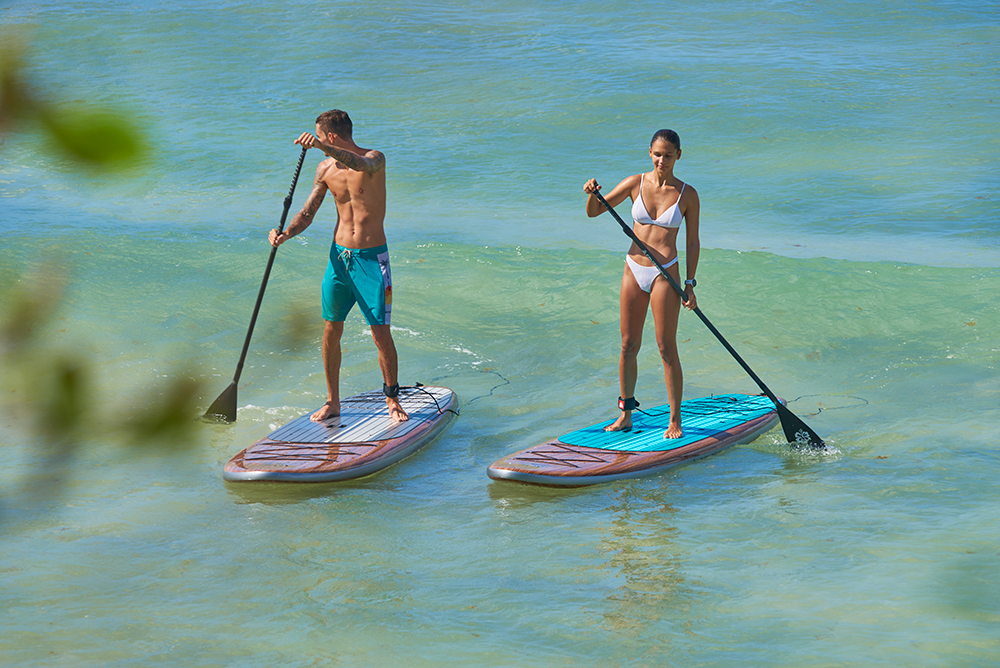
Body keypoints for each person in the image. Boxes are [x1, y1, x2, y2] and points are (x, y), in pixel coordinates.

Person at [269, 109, 408, 423]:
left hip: (371, 261)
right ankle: (333, 401)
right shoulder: (324, 169)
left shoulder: (374, 159)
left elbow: (360, 164)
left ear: (330, 136)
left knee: (380, 333)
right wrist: (285, 234)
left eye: (321, 137)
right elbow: (308, 212)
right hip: (339, 260)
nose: (318, 144)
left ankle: (392, 399)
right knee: (331, 330)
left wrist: (322, 146)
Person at [583, 129, 700, 438]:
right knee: (628, 345)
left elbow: (692, 241)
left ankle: (675, 420)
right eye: (657, 154)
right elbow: (595, 211)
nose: (662, 160)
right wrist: (592, 193)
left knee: (666, 347)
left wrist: (690, 284)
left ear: (678, 156)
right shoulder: (635, 183)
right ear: (650, 152)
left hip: (666, 273)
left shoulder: (687, 194)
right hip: (633, 269)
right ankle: (625, 415)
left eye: (669, 155)